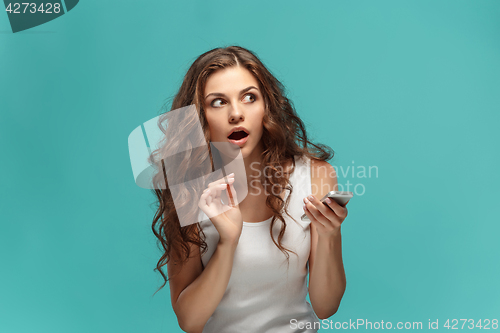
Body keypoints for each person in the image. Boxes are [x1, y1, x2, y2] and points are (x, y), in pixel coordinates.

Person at [149, 46, 349, 333]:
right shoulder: (190, 188)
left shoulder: (315, 176)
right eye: (218, 102)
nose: (236, 113)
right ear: (199, 118)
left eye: (249, 97)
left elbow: (326, 307)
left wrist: (330, 235)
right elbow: (190, 321)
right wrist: (227, 243)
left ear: (266, 105)